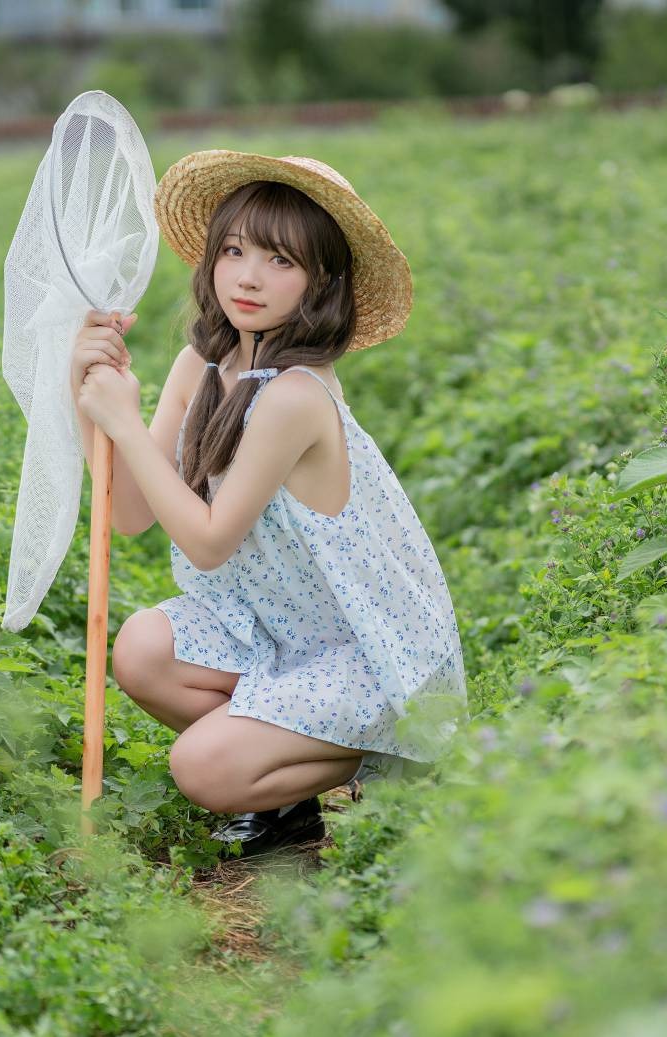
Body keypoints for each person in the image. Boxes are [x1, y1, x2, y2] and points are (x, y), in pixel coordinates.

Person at [69, 150, 468, 857]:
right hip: (278, 633)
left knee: (201, 764)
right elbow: (129, 513)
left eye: (281, 261)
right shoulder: (205, 363)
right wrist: (91, 401)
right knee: (140, 648)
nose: (249, 277)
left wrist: (126, 423)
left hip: (360, 651)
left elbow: (210, 542)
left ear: (320, 283)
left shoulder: (295, 396)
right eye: (234, 250)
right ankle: (286, 804)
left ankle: (399, 756)